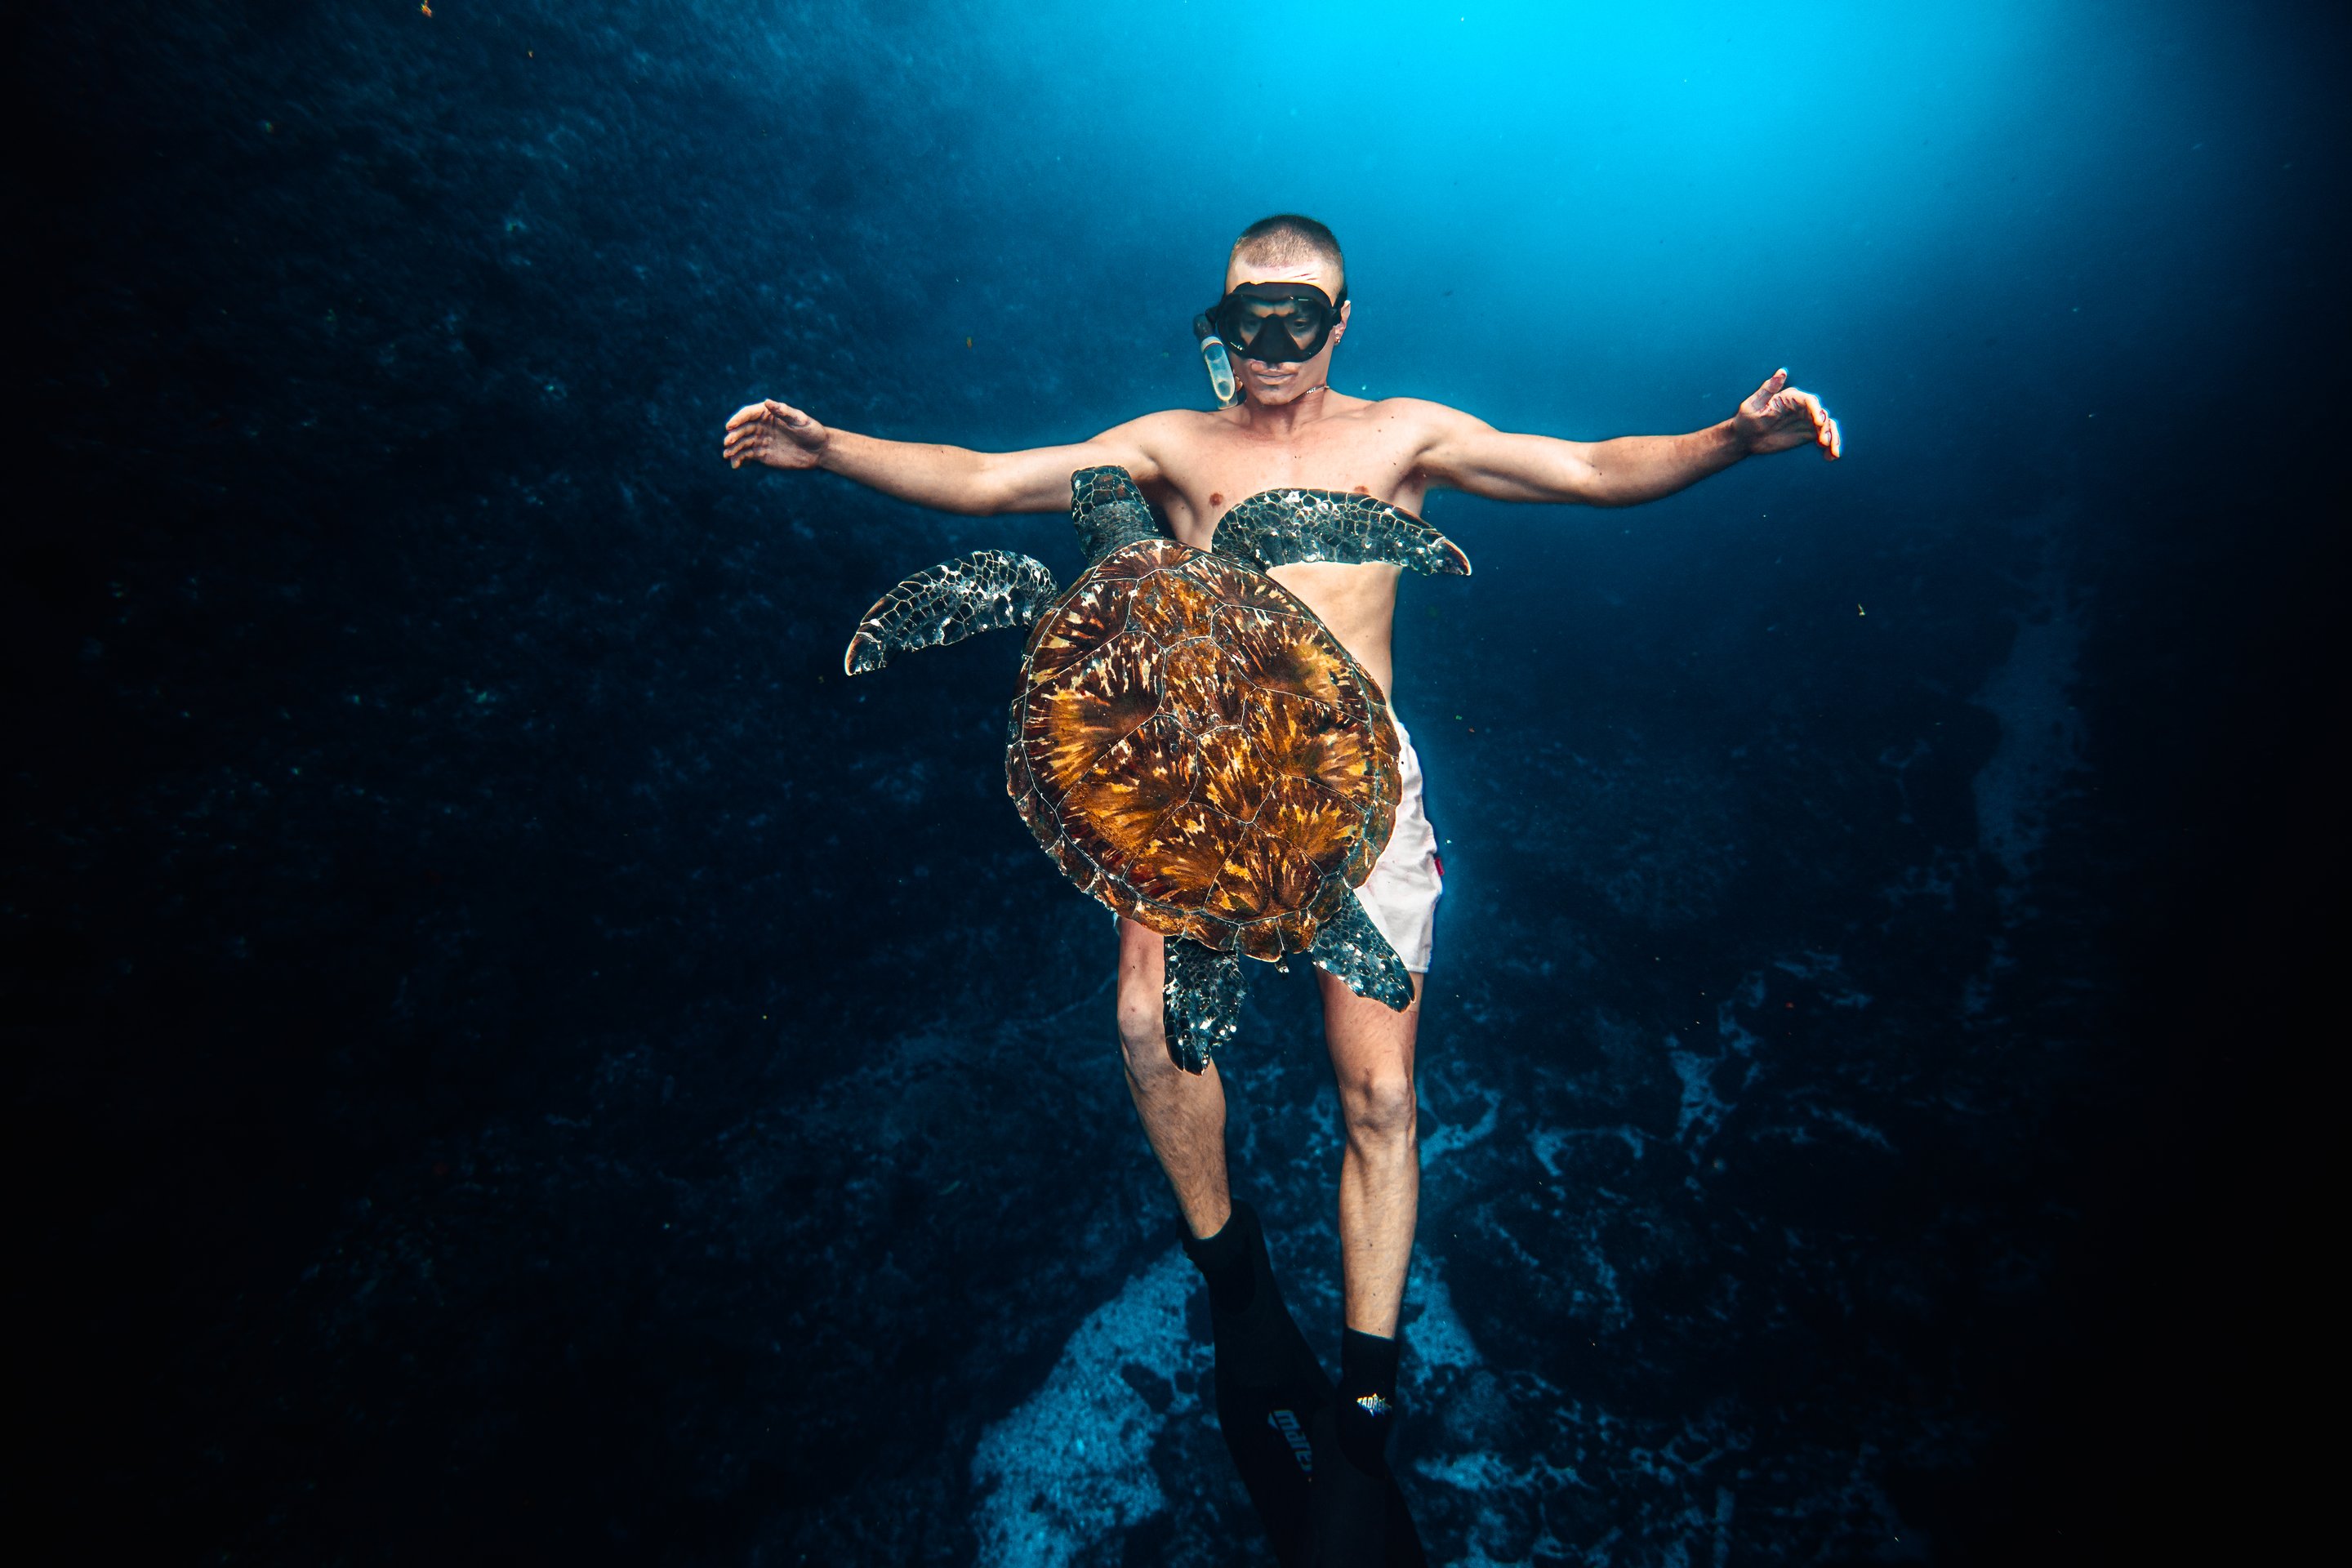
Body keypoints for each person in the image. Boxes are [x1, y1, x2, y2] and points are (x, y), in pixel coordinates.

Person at [723, 214, 1840, 1561]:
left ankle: (1363, 1422)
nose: (1271, 344)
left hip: (1357, 790)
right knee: (1145, 1023)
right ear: (1219, 317)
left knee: (1377, 1093)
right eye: (1248, 315)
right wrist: (829, 446)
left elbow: (1594, 468)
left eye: (1298, 317)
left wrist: (1727, 441)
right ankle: (1240, 1297)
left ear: (1342, 321)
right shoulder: (1173, 449)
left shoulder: (1403, 439)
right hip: (1197, 783)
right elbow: (983, 476)